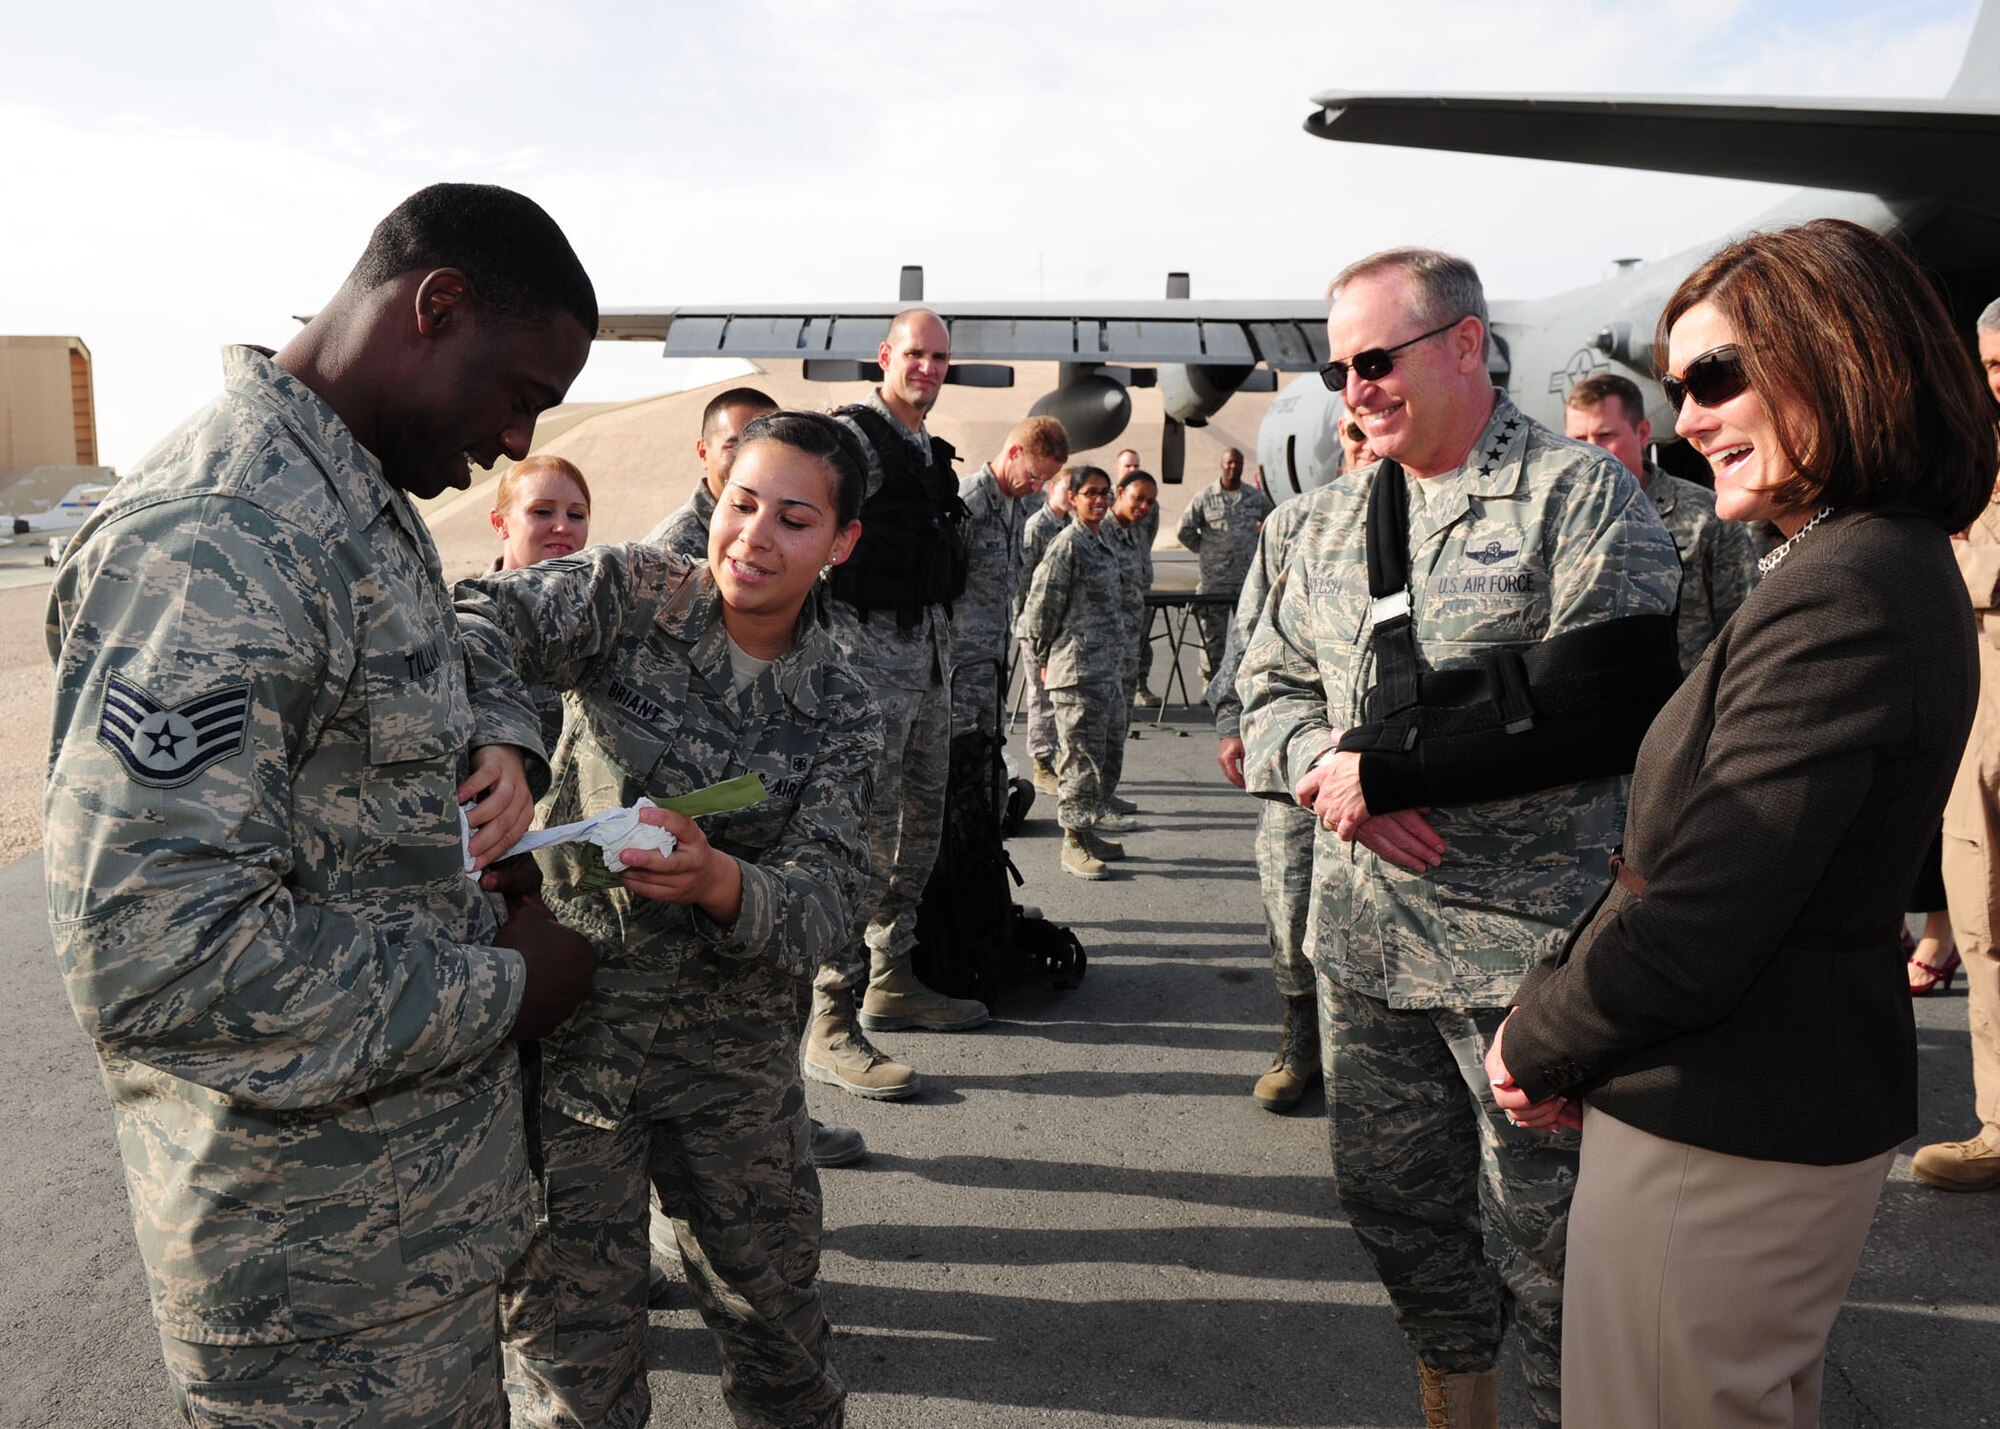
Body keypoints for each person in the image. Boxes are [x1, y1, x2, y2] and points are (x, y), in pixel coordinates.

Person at [43, 182, 601, 1424]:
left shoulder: (343, 498)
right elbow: (160, 955)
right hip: (316, 1288)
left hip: (398, 1245)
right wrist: (507, 985)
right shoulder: (225, 535)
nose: (518, 445)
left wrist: (465, 863)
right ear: (435, 306)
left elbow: (347, 801)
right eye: (520, 395)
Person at [1491, 218, 1991, 1427]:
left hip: (1720, 1116)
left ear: (1836, 359)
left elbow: (1708, 904)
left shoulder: (1846, 586)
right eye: (1677, 390)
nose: (1687, 417)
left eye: (1716, 377)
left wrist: (1538, 1037)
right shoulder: (1856, 559)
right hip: (1746, 1094)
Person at [1238, 246, 1681, 1428]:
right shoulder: (1315, 526)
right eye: (1339, 368)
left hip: (1524, 959)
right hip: (1364, 951)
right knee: (1395, 1210)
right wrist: (1331, 779)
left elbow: (1606, 699)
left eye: (1375, 360)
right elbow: (1267, 692)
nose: (1355, 390)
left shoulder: (1579, 497)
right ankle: (1455, 1399)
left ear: (1466, 345)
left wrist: (1390, 764)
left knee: (1555, 1246)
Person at [462, 411, 880, 1429]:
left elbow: (830, 906)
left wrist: (719, 883)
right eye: (740, 505)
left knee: (782, 1350)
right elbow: (472, 614)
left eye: (792, 518)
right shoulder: (627, 594)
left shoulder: (845, 699)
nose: (753, 537)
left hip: (731, 1082)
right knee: (570, 1379)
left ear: (840, 542)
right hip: (573, 1057)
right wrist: (507, 736)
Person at [807, 308, 990, 1102]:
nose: (927, 368)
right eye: (914, 354)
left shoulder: (923, 449)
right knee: (857, 844)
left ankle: (893, 978)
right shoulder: (853, 439)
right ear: (886, 356)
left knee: (916, 837)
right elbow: (795, 511)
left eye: (939, 357)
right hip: (863, 670)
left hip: (927, 666)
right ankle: (828, 1016)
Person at [1210, 421, 1378, 1112]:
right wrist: (1230, 718)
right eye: (1356, 437)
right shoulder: (1297, 523)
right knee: (1290, 904)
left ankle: (1367, 1058)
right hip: (1296, 767)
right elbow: (1249, 632)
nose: (1369, 447)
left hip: (1393, 772)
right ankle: (1298, 1037)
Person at [1914, 291, 2000, 1190]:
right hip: (1985, 718)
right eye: (1992, 370)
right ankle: (1998, 1121)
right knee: (1982, 920)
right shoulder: (1975, 451)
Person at [1565, 372, 1758, 675]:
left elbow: (1742, 624)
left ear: (1642, 433)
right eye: (1578, 439)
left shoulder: (1706, 515)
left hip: (1684, 705)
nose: (1592, 450)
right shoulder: (1558, 522)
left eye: (1605, 436)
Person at [1020, 466, 1128, 880]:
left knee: (1106, 757)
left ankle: (1089, 827)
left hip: (1106, 671)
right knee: (1080, 761)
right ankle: (1073, 841)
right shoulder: (1068, 544)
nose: (1099, 500)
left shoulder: (1105, 540)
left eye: (1105, 493)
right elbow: (1040, 608)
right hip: (1077, 673)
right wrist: (1047, 657)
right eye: (1090, 493)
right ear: (1075, 497)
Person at [949, 414, 1069, 735]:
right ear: (1014, 453)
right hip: (959, 664)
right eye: (1033, 476)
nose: (1037, 487)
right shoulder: (970, 502)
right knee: (957, 755)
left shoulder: (1024, 503)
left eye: (1045, 481)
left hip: (995, 660)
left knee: (990, 757)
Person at [490, 453, 593, 751]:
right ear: (500, 523)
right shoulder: (459, 619)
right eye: (542, 512)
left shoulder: (602, 620)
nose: (562, 527)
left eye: (576, 515)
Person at [645, 386, 779, 560]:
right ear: (703, 453)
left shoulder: (787, 525)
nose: (750, 461)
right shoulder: (672, 550)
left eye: (766, 446)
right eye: (734, 446)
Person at [1177, 447, 1274, 683]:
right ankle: (1209, 683)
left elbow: (1273, 521)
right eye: (1229, 463)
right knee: (1213, 637)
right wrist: (1208, 551)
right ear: (1222, 465)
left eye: (1238, 463)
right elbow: (1184, 529)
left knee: (1248, 636)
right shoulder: (1205, 497)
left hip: (1245, 583)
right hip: (1215, 582)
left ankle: (1243, 684)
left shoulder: (1254, 497)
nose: (1233, 467)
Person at [1104, 469, 1159, 820]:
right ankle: (1090, 804)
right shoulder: (1100, 532)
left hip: (1128, 648)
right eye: (1138, 497)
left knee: (1119, 727)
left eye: (1150, 502)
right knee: (1098, 732)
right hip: (1101, 649)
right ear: (1119, 492)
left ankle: (1106, 793)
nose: (1143, 506)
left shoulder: (1134, 533)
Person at [1020, 471, 1075, 793]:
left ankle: (1059, 761)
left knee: (1058, 697)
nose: (1070, 496)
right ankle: (1042, 763)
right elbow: (1024, 579)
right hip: (1036, 625)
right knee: (1041, 699)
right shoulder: (1037, 527)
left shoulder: (1069, 526)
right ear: (1053, 488)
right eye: (1067, 489)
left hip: (1061, 625)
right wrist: (1023, 625)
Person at [1114, 446, 1162, 702]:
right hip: (1116, 591)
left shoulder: (1149, 507)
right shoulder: (1106, 506)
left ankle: (1140, 686)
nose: (1133, 469)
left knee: (1141, 638)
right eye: (1128, 465)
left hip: (1141, 581)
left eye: (1136, 465)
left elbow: (1149, 536)